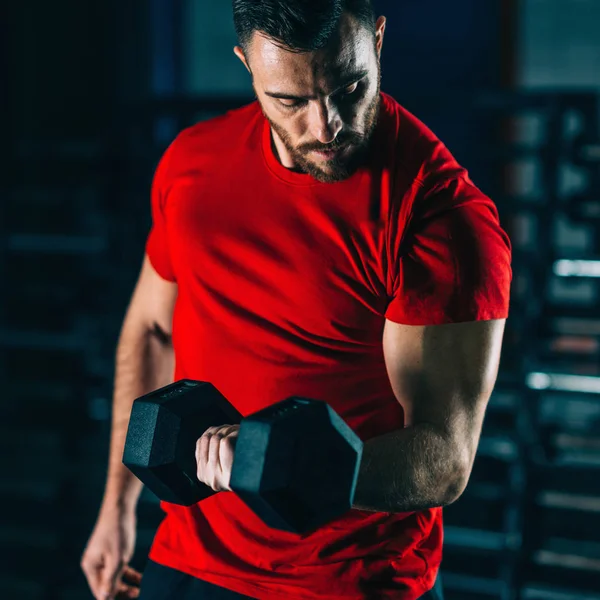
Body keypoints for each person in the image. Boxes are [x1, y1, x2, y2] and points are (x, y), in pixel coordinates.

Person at [80, 0, 512, 599]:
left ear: (378, 38)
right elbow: (153, 329)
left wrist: (286, 459)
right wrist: (116, 507)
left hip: (347, 580)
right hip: (190, 562)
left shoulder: (439, 219)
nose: (326, 124)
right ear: (247, 65)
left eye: (349, 86)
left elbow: (443, 456)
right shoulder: (192, 166)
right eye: (291, 101)